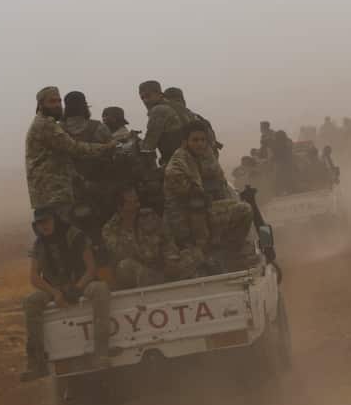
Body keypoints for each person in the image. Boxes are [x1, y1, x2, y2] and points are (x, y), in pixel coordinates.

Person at [21, 206, 112, 381]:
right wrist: (55, 293)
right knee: (31, 301)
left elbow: (91, 268)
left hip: (81, 282)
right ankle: (36, 363)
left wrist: (77, 289)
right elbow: (34, 277)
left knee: (100, 289)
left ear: (54, 219)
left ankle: (101, 353)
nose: (44, 226)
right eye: (39, 223)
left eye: (46, 221)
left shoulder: (74, 235)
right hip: (55, 287)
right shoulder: (39, 244)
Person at [165, 120, 254, 272]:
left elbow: (218, 179)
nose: (200, 144)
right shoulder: (178, 163)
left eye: (203, 140)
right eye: (195, 140)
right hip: (185, 221)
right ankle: (224, 253)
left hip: (201, 213)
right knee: (243, 210)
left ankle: (227, 252)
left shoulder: (199, 156)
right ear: (185, 142)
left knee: (239, 207)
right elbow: (193, 198)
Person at [25, 86, 114, 221]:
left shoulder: (51, 124)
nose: (57, 105)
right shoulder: (45, 125)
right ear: (41, 104)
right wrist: (107, 147)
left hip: (54, 190)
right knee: (63, 231)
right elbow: (74, 148)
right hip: (52, 192)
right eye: (52, 101)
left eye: (58, 101)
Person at [101, 186, 180, 288]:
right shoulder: (110, 230)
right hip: (135, 273)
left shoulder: (149, 216)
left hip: (160, 268)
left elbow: (167, 241)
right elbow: (122, 253)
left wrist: (171, 259)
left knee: (195, 254)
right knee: (125, 266)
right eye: (132, 203)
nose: (138, 205)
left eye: (137, 201)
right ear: (120, 207)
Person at [138, 80, 183, 165]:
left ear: (159, 94)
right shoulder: (178, 107)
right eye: (142, 98)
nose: (145, 101)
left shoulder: (159, 110)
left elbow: (148, 146)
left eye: (148, 96)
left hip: (179, 163)